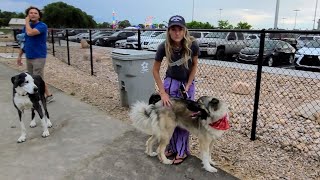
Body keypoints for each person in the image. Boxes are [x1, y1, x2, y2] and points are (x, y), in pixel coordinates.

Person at [153, 15, 199, 165]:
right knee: (170, 119)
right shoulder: (163, 46)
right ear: (169, 30)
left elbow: (194, 66)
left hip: (186, 85)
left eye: (180, 29)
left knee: (185, 119)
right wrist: (163, 92)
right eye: (173, 29)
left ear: (185, 30)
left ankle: (182, 151)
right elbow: (155, 70)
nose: (177, 32)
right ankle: (171, 147)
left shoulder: (193, 45)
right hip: (170, 84)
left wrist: (188, 85)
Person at [17, 6, 54, 103]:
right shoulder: (26, 26)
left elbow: (30, 33)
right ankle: (49, 95)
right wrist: (19, 56)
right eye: (30, 13)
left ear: (39, 16)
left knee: (36, 78)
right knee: (34, 77)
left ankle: (38, 98)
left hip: (39, 56)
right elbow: (23, 41)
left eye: (35, 13)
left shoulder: (42, 26)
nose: (33, 14)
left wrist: (26, 22)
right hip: (29, 55)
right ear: (28, 15)